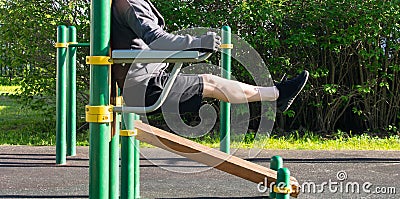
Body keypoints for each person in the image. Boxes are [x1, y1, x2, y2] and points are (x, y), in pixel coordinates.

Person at [111, 0, 309, 114]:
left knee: (211, 81)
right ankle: (276, 95)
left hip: (147, 81)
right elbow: (158, 40)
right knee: (212, 83)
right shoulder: (130, 3)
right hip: (145, 88)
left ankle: (275, 94)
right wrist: (197, 42)